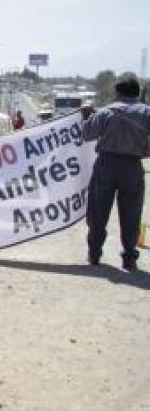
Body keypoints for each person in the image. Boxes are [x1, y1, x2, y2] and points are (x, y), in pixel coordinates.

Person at [82, 75, 150, 271]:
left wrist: (88, 117)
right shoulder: (146, 112)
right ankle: (129, 258)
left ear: (117, 92)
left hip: (106, 164)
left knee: (98, 213)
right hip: (133, 167)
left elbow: (87, 135)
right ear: (137, 94)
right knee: (131, 214)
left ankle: (94, 254)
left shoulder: (105, 112)